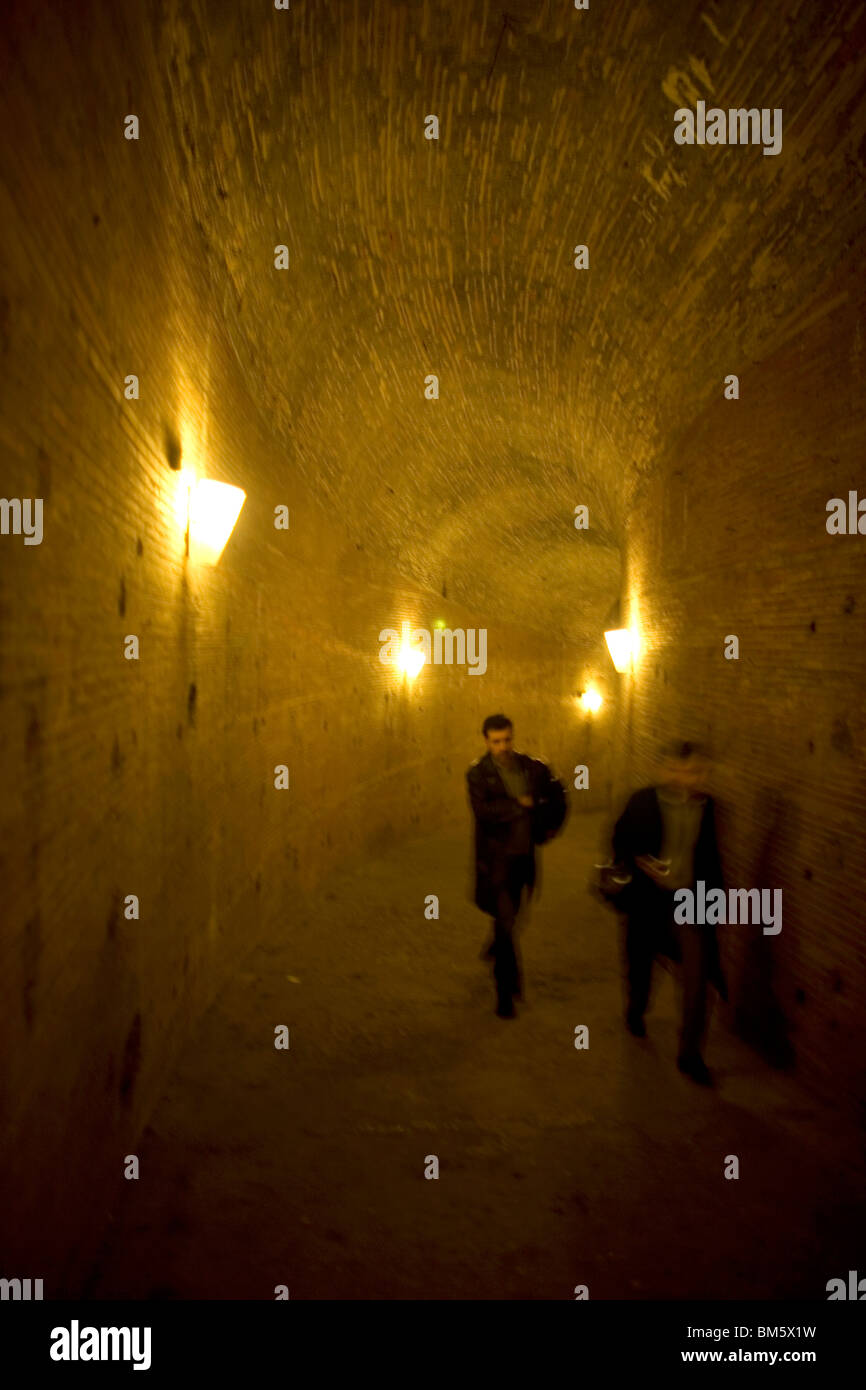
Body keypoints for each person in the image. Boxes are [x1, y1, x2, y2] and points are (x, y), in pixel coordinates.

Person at [611, 740, 727, 1085]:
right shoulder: (642, 802)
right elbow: (620, 841)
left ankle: (690, 1054)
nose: (684, 779)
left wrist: (716, 908)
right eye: (677, 770)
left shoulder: (709, 807)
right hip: (650, 899)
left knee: (698, 978)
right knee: (641, 964)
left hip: (691, 902)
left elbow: (711, 858)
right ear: (664, 770)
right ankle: (636, 1007)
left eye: (692, 772)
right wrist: (642, 862)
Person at [467, 715, 567, 1018]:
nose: (503, 746)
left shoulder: (531, 768)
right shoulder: (478, 774)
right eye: (496, 741)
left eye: (507, 739)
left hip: (524, 858)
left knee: (515, 919)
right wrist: (519, 805)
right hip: (496, 862)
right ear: (487, 741)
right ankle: (506, 992)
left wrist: (550, 828)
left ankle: (497, 948)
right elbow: (483, 811)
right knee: (506, 922)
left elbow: (558, 796)